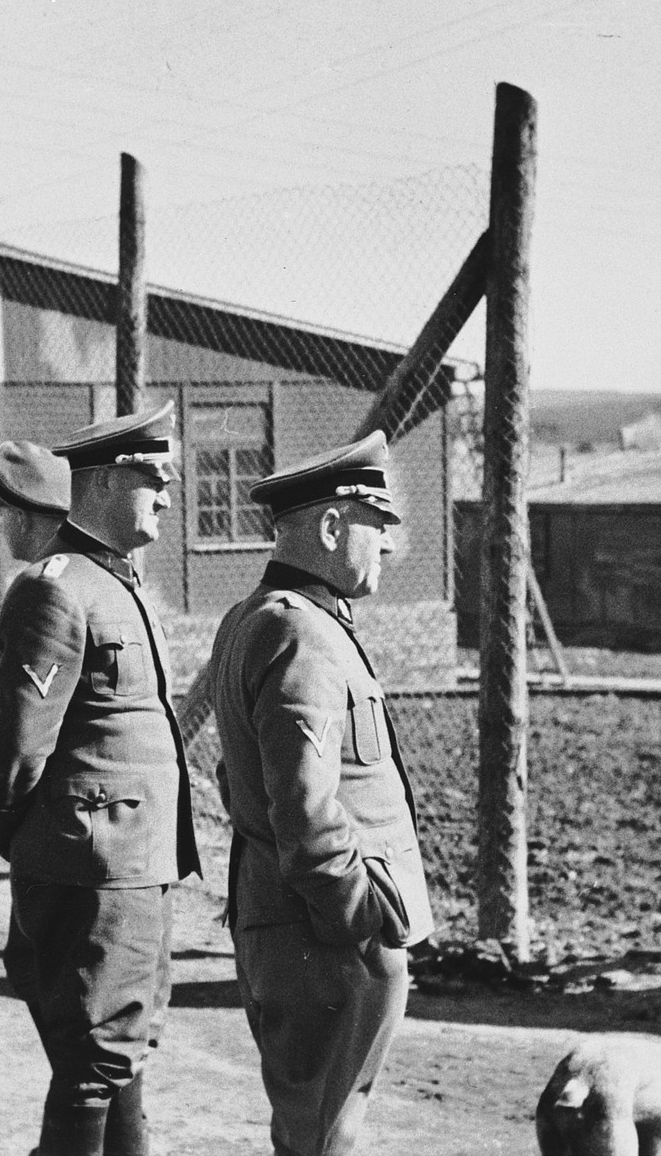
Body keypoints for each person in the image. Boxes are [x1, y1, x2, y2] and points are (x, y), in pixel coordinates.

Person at [0, 400, 202, 1156]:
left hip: (128, 864)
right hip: (92, 865)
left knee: (119, 1047)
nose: (168, 495)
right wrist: (19, 833)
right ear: (103, 485)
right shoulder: (59, 588)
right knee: (94, 1059)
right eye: (152, 478)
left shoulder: (119, 583)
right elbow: (17, 746)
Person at [207, 431, 435, 1156]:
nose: (389, 548)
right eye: (377, 526)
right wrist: (360, 918)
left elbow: (236, 776)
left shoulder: (255, 619)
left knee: (315, 1126)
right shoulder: (299, 632)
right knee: (324, 1134)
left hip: (292, 921)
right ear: (332, 526)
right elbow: (304, 807)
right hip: (324, 934)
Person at [0, 438, 71, 562]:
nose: (0, 525)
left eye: (2, 514)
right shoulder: (89, 567)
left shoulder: (36, 580)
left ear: (22, 519)